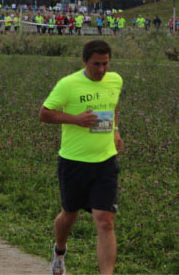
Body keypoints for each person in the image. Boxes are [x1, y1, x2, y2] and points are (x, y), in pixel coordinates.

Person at [39, 40, 124, 275]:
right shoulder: (68, 84)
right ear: (84, 61)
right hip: (74, 162)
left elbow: (114, 105)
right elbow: (44, 113)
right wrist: (76, 119)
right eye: (96, 64)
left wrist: (116, 131)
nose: (101, 70)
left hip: (105, 161)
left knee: (105, 220)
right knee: (69, 215)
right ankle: (59, 252)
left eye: (105, 64)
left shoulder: (115, 80)